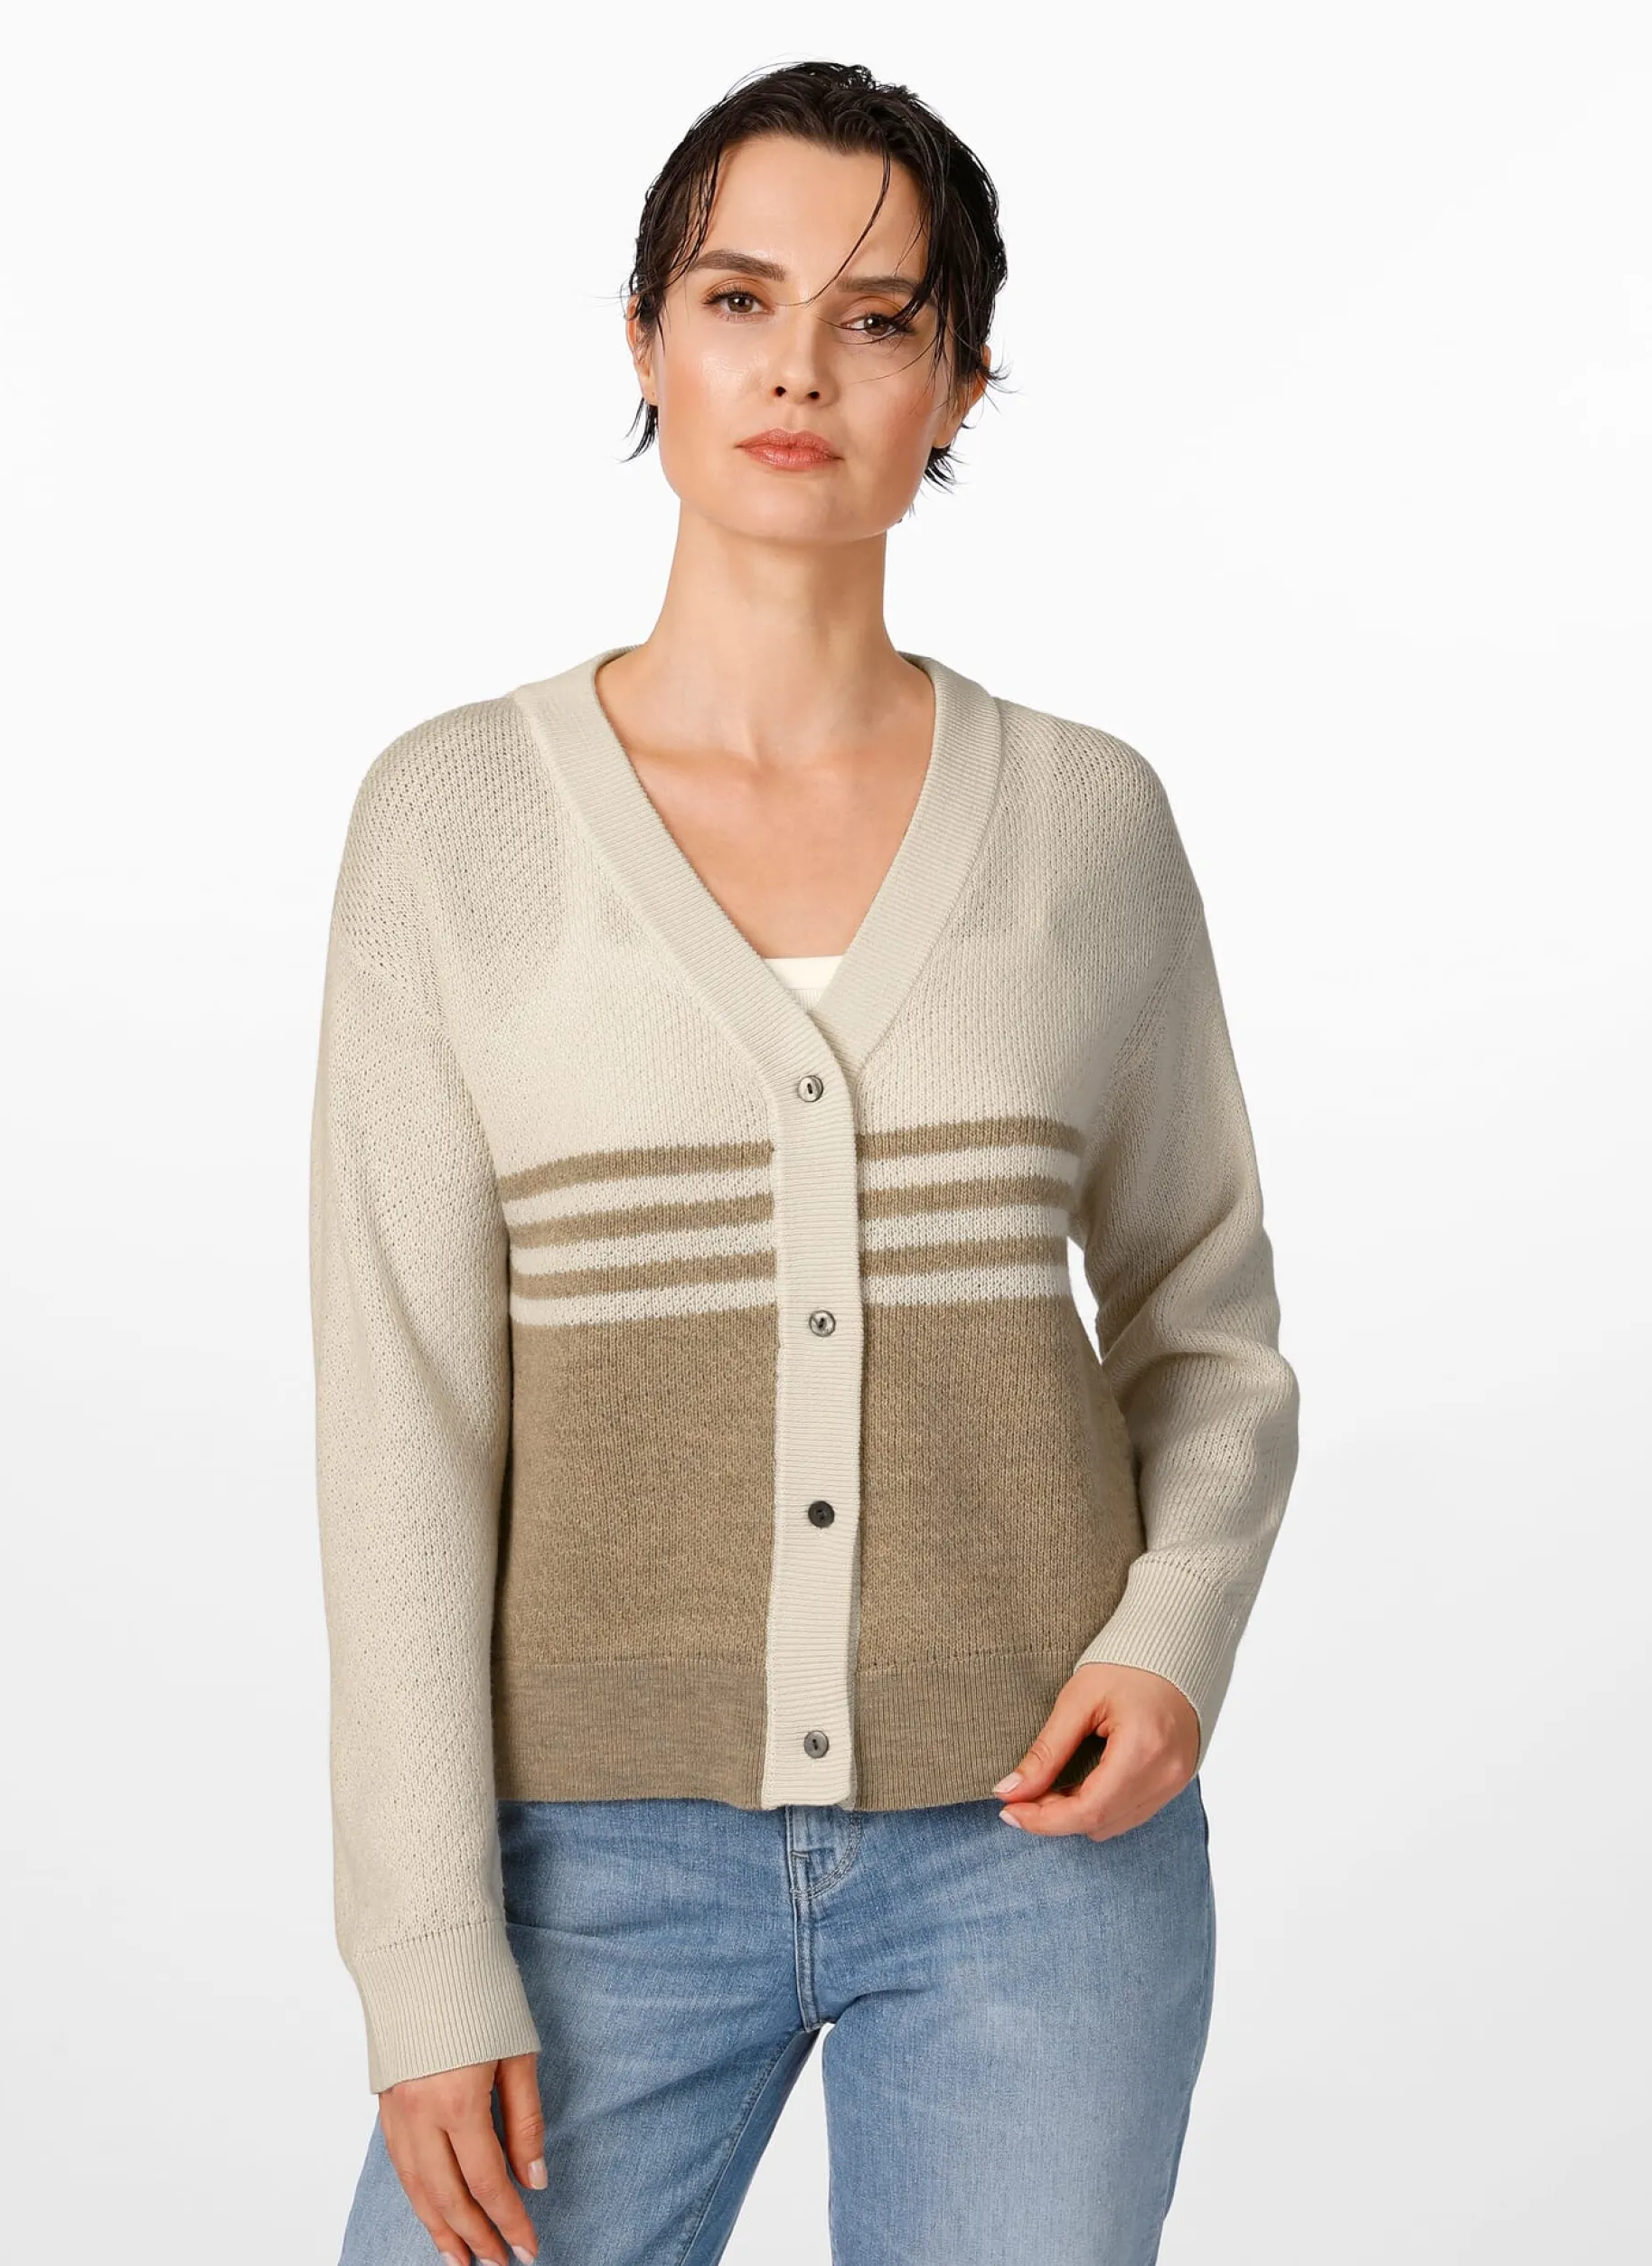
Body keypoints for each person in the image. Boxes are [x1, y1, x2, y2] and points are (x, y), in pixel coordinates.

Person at [309, 57, 1300, 2266]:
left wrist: (1174, 1633)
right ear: (645, 342)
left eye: (877, 318)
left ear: (956, 384)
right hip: (585, 1862)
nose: (797, 368)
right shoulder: (451, 822)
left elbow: (1204, 1317)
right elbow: (399, 1421)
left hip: (1041, 1849)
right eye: (737, 298)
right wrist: (424, 1942)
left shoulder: (1087, 821)